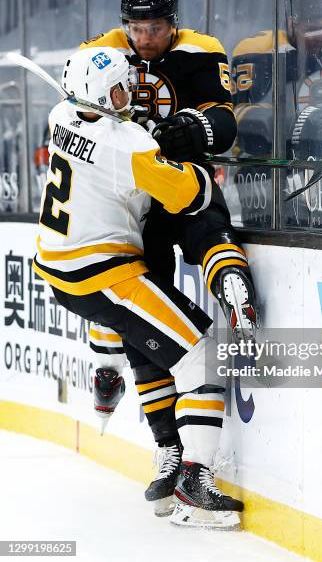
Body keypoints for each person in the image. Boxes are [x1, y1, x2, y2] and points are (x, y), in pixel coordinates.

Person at [33, 46, 243, 530]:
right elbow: (194, 194)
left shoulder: (60, 113)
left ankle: (150, 426)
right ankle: (195, 482)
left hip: (60, 270)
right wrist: (171, 154)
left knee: (147, 342)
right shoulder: (126, 143)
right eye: (124, 88)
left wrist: (141, 139)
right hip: (104, 274)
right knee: (200, 353)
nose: (132, 94)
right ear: (105, 94)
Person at [78, 0, 259, 515]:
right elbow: (79, 99)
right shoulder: (103, 49)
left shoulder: (201, 51)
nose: (144, 37)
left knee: (206, 226)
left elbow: (225, 121)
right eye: (135, 27)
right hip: (132, 203)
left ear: (172, 22)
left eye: (154, 27)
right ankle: (169, 450)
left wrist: (194, 128)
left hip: (181, 180)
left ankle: (234, 293)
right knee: (144, 330)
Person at [230, 0, 322, 228]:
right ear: (291, 20)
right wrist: (299, 124)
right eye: (310, 30)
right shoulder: (258, 50)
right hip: (267, 169)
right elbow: (239, 116)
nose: (318, 38)